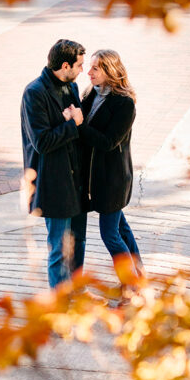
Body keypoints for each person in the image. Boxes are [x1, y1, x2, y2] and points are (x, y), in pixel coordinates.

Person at [20, 38, 87, 290]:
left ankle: (77, 293)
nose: (82, 70)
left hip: (76, 179)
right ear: (65, 65)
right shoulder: (34, 93)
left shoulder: (72, 86)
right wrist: (71, 123)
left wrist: (73, 122)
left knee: (78, 241)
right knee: (59, 248)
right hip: (55, 181)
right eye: (79, 65)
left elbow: (79, 124)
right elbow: (42, 142)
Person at [77, 49, 145, 296]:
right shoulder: (90, 93)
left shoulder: (124, 104)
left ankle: (132, 286)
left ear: (110, 71)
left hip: (113, 180)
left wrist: (79, 125)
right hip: (96, 179)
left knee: (110, 235)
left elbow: (108, 142)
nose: (89, 72)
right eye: (90, 66)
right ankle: (139, 274)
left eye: (95, 68)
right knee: (120, 228)